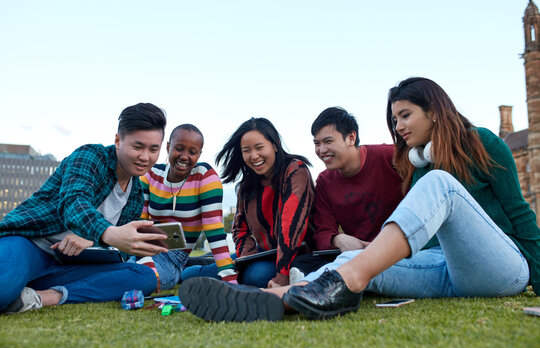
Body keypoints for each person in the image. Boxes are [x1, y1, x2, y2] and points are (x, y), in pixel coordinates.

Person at [179, 77, 540, 322]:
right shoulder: (415, 162)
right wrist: (340, 241)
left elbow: (520, 213)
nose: (398, 126)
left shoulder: (482, 143)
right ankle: (273, 300)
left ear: (433, 111)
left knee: (440, 186)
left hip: (501, 271)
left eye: (405, 115)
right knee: (353, 256)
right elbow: (322, 231)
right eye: (394, 118)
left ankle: (346, 282)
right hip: (444, 272)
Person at [0, 103, 170, 314]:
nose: (145, 157)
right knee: (2, 287)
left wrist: (93, 241)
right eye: (137, 147)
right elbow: (74, 203)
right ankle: (17, 282)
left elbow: (117, 251)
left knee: (143, 277)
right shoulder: (90, 156)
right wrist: (107, 233)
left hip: (68, 264)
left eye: (153, 149)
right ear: (118, 141)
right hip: (31, 245)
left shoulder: (135, 195)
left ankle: (44, 297)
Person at [182, 118, 315, 288]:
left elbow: (292, 225)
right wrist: (246, 259)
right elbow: (239, 229)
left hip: (298, 255)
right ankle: (202, 263)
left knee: (256, 277)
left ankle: (222, 269)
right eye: (246, 150)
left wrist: (282, 276)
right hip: (263, 255)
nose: (254, 156)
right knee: (188, 275)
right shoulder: (247, 185)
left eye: (259, 148)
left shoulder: (296, 170)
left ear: (275, 145)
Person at [291, 107, 403, 277]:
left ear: (351, 138)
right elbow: (323, 232)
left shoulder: (389, 157)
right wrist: (338, 239)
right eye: (317, 143)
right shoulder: (324, 181)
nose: (321, 150)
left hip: (399, 249)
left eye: (328, 141)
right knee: (302, 263)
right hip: (357, 252)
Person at [137, 124, 237, 291]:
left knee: (137, 276)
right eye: (179, 149)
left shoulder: (205, 176)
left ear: (199, 155)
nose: (184, 157)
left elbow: (214, 229)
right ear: (168, 147)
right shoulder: (150, 174)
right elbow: (138, 224)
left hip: (173, 257)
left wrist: (229, 278)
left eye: (192, 152)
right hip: (142, 247)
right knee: (128, 270)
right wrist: (147, 265)